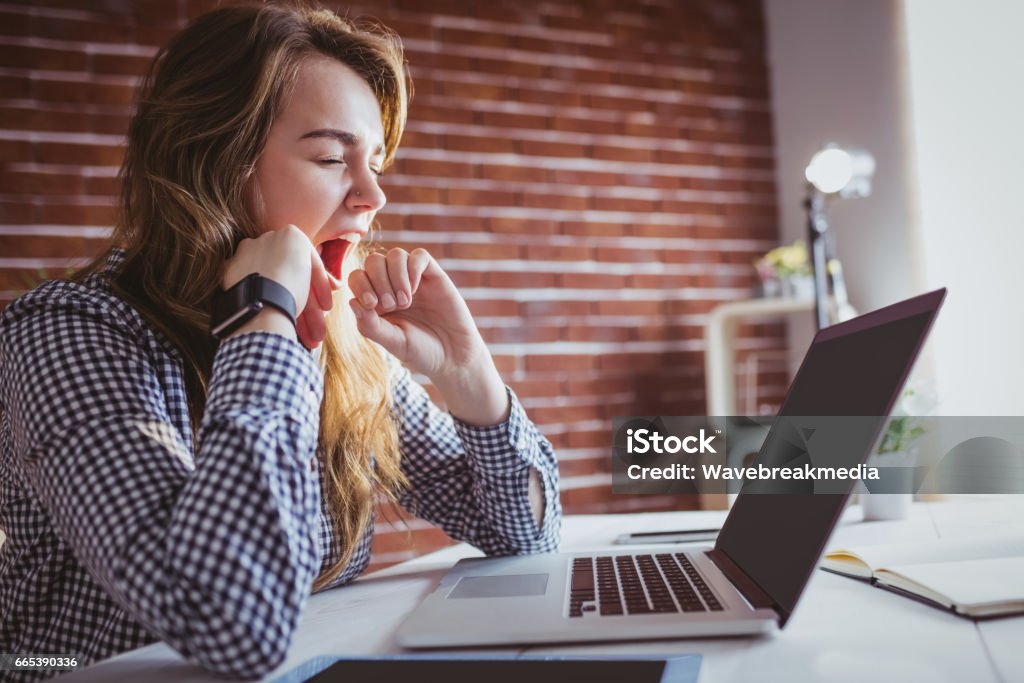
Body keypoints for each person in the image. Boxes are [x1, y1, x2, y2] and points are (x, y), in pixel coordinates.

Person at [0, 3, 561, 680]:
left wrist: (468, 374)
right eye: (330, 156)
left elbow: (523, 530)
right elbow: (231, 623)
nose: (372, 195)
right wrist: (260, 318)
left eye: (376, 161)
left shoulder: (342, 339)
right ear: (213, 162)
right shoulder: (69, 337)